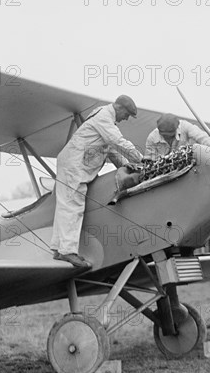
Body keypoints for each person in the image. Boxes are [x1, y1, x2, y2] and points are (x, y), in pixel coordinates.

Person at [50, 95, 143, 269]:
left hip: (72, 163)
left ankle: (58, 248)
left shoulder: (103, 119)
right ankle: (68, 251)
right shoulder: (104, 118)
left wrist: (127, 165)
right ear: (119, 107)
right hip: (74, 165)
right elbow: (118, 141)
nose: (126, 118)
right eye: (127, 114)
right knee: (73, 204)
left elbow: (110, 150)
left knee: (66, 204)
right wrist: (141, 159)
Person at [144, 113, 210, 161]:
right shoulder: (152, 138)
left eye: (170, 135)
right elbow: (149, 159)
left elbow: (201, 136)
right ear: (159, 131)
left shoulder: (185, 126)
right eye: (164, 135)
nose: (168, 138)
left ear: (176, 128)